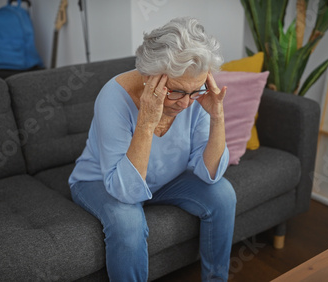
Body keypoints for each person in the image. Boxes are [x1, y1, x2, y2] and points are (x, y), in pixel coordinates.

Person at [68, 17, 236, 282]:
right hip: (102, 181)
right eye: (176, 92)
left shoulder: (193, 97)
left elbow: (210, 174)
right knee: (128, 222)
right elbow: (124, 191)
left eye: (195, 91)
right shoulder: (113, 98)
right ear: (149, 76)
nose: (185, 104)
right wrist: (146, 120)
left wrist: (217, 117)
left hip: (162, 181)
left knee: (223, 194)